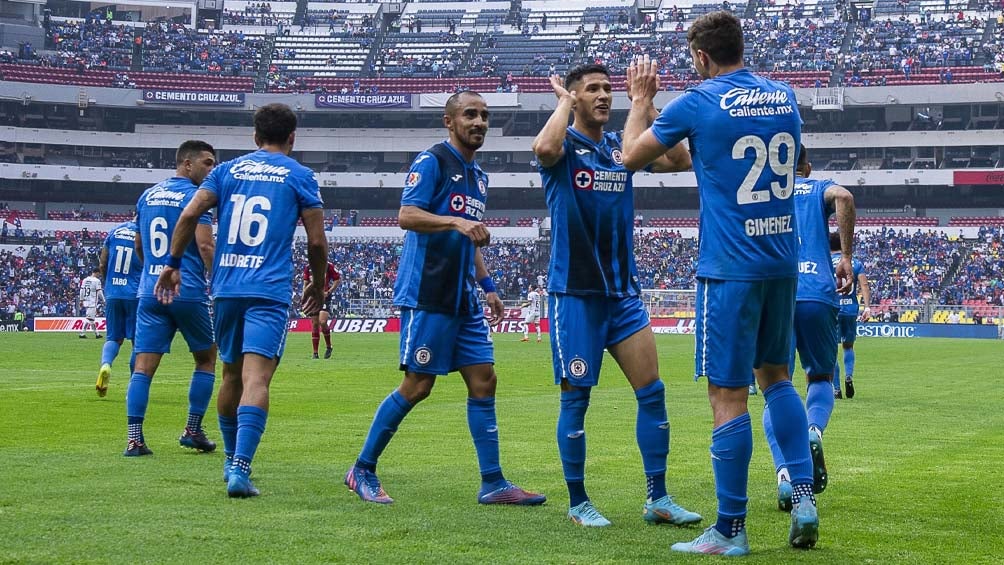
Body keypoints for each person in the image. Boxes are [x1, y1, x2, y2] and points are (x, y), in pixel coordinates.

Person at [621, 12, 834, 554]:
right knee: (779, 378)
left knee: (727, 395)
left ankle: (730, 531)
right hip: (783, 262)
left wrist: (641, 101)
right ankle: (803, 494)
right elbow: (701, 157)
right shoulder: (783, 97)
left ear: (700, 56)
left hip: (730, 268)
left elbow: (629, 156)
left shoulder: (697, 101)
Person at [344, 91, 545, 507]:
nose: (480, 122)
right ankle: (361, 469)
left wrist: (487, 287)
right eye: (470, 114)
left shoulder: (480, 177)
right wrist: (455, 220)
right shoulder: (432, 161)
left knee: (484, 380)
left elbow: (469, 239)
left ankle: (493, 482)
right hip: (427, 293)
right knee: (418, 386)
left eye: (485, 116)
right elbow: (406, 215)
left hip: (463, 298)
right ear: (449, 121)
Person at [532, 63, 698, 528]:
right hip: (575, 296)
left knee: (653, 393)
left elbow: (680, 159)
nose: (604, 96)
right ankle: (579, 501)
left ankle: (657, 498)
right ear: (574, 98)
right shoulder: (564, 149)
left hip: (623, 295)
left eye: (609, 89)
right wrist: (564, 100)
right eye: (593, 90)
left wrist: (645, 105)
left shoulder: (619, 147)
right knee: (576, 400)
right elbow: (544, 147)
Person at [156, 104, 329, 498]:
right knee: (257, 379)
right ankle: (241, 469)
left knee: (230, 376)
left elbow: (188, 215)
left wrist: (172, 264)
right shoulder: (300, 175)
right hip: (267, 291)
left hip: (227, 288)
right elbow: (317, 241)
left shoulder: (225, 171)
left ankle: (230, 459)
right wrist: (318, 287)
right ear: (292, 138)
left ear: (255, 137)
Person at [763, 145, 856, 513]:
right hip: (819, 291)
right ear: (807, 166)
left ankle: (785, 475)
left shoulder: (764, 193)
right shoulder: (818, 188)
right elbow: (845, 197)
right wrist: (845, 257)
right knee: (819, 377)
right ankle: (813, 431)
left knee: (776, 386)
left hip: (776, 291)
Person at [125, 140, 219, 458]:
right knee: (206, 359)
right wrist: (219, 280)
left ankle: (134, 439)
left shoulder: (147, 195)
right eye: (207, 163)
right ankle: (193, 429)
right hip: (187, 290)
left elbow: (140, 246)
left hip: (150, 291)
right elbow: (205, 246)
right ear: (187, 164)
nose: (212, 169)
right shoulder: (197, 198)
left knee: (143, 368)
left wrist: (154, 270)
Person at [95, 219, 142, 397]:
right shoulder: (143, 233)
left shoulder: (115, 231)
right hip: (135, 293)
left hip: (113, 292)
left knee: (114, 338)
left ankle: (106, 364)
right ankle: (133, 385)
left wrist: (109, 285)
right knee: (138, 342)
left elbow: (102, 263)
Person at [830, 231, 869, 399]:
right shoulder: (855, 263)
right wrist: (867, 308)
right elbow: (864, 285)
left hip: (832, 308)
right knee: (848, 346)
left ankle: (837, 389)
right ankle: (849, 376)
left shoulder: (825, 262)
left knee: (831, 349)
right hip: (851, 310)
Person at [304, 260, 341, 359]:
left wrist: (329, 292)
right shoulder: (308, 267)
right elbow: (306, 283)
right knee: (315, 324)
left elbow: (337, 280)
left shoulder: (328, 266)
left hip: (324, 297)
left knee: (322, 322)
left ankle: (329, 346)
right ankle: (315, 353)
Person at [78, 268, 104, 339]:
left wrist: (81, 300)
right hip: (92, 302)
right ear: (97, 273)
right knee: (89, 319)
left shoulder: (85, 280)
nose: (99, 275)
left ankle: (97, 334)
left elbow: (82, 291)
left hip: (86, 301)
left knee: (91, 319)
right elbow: (99, 292)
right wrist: (104, 300)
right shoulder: (97, 281)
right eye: (99, 273)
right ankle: (82, 333)